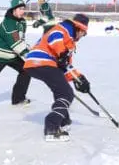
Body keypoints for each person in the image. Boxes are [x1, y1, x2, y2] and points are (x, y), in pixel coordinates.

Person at [24, 13, 91, 142]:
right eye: (84, 33)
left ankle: (64, 121)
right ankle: (51, 127)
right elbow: (54, 37)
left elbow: (65, 66)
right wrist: (62, 52)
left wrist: (79, 79)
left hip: (39, 64)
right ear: (79, 28)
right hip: (41, 61)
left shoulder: (69, 43)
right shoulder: (65, 28)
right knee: (66, 94)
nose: (83, 36)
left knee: (61, 91)